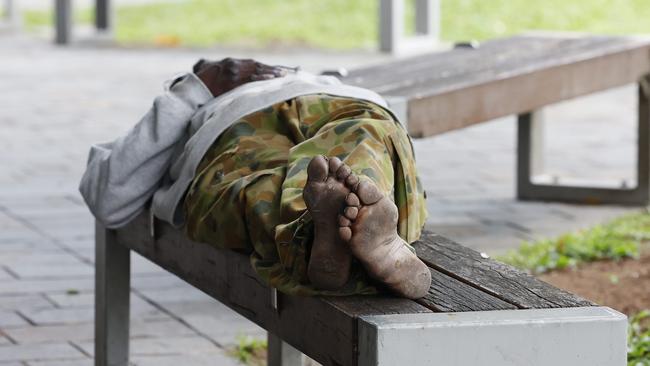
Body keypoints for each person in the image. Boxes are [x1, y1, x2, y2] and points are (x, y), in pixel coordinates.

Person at [80, 58, 431, 299]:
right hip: (231, 128)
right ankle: (363, 245)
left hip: (340, 103)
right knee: (279, 183)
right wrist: (194, 88)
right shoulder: (189, 97)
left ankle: (325, 240)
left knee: (354, 155)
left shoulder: (315, 77)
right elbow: (107, 194)